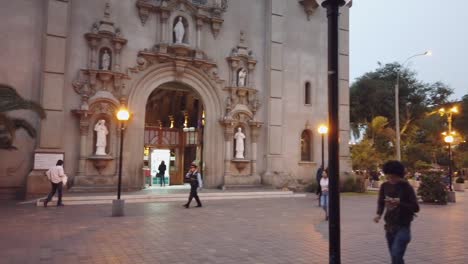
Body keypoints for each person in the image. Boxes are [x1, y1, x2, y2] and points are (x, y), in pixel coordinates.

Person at [374, 160, 420, 264]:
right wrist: (378, 214)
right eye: (389, 177)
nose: (391, 179)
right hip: (389, 226)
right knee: (394, 258)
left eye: (394, 177)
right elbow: (381, 201)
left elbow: (416, 207)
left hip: (403, 226)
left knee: (396, 253)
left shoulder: (406, 187)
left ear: (400, 175)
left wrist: (399, 203)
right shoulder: (384, 186)